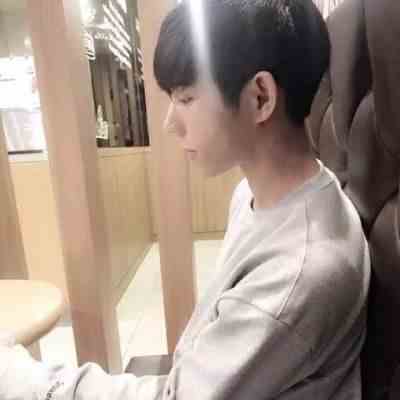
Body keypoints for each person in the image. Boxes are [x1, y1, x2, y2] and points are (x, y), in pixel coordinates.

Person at [0, 0, 370, 399]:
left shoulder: (301, 269)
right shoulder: (257, 194)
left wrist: (23, 380)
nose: (170, 123)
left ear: (260, 97)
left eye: (186, 98)